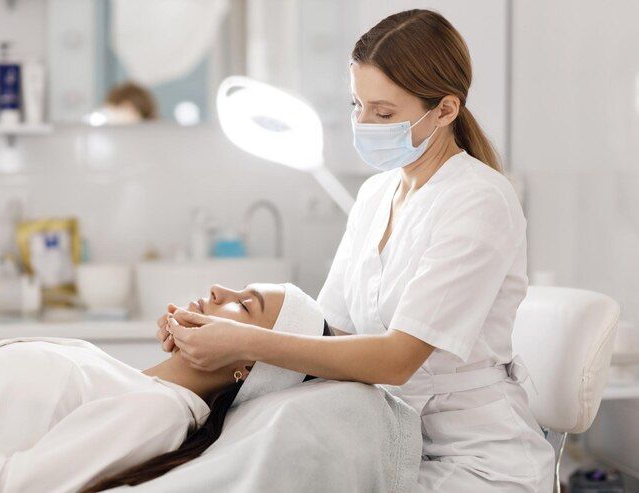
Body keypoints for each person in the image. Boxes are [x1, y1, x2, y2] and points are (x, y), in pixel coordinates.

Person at [160, 9, 554, 492]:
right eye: (356, 105)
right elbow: (331, 336)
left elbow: (396, 360)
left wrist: (242, 342)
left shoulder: (479, 200)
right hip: (383, 436)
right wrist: (211, 341)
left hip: (472, 458)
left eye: (383, 113)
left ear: (446, 110)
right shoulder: (376, 195)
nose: (363, 123)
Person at [0, 283, 327, 493]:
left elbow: (10, 488)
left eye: (246, 303)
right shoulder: (128, 380)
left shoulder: (159, 413)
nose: (219, 289)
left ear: (248, 364)